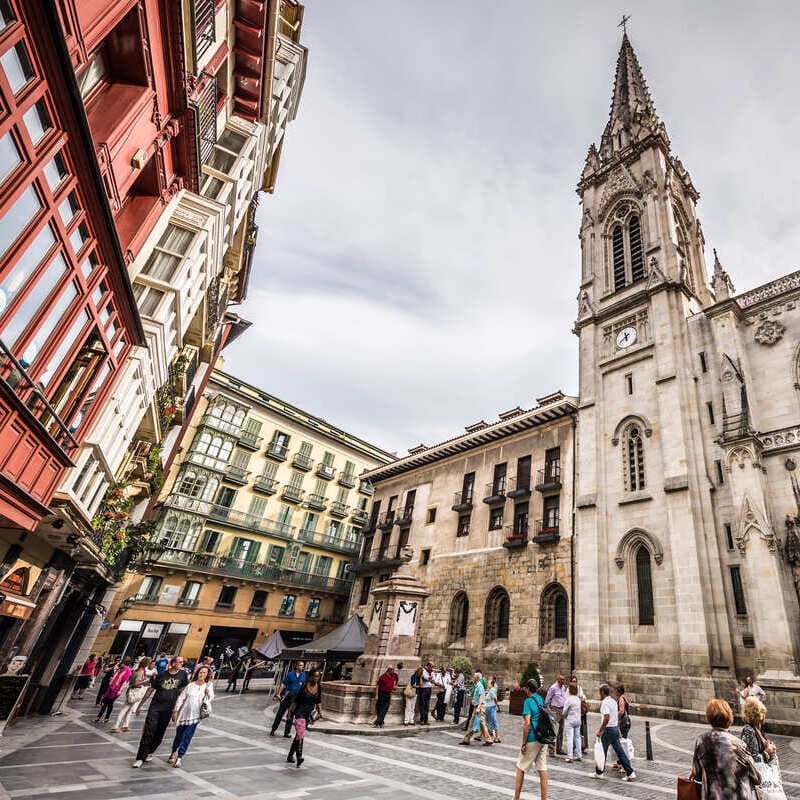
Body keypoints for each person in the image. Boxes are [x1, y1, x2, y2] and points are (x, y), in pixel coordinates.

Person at [691, 698, 761, 799]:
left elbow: (697, 774)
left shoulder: (701, 741)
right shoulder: (738, 744)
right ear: (729, 716)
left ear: (709, 718)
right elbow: (757, 777)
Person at [132, 656, 189, 768]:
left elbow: (184, 692)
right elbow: (150, 690)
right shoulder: (161, 675)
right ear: (172, 663)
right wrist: (140, 705)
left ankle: (149, 752)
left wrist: (177, 710)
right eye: (179, 662)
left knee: (159, 734)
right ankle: (140, 758)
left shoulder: (183, 675)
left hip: (168, 709)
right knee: (149, 731)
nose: (181, 664)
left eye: (182, 662)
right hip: (155, 707)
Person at [168, 664, 214, 768]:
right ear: (197, 673)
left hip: (195, 716)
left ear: (207, 675)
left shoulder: (208, 686)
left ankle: (179, 758)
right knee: (178, 736)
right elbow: (181, 698)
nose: (202, 674)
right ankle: (173, 752)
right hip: (184, 715)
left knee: (187, 736)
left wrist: (207, 694)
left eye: (204, 673)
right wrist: (175, 711)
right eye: (200, 672)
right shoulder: (190, 685)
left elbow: (209, 700)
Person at [513, 679, 548, 800]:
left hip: (533, 737)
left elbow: (527, 723)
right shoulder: (540, 699)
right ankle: (544, 798)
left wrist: (523, 743)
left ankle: (516, 798)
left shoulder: (528, 701)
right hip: (543, 738)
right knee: (542, 768)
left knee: (520, 767)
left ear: (528, 689)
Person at [593, 683, 635, 781]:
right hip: (614, 729)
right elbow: (615, 716)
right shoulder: (612, 701)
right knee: (620, 752)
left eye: (600, 692)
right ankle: (630, 772)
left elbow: (607, 717)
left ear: (602, 692)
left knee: (602, 751)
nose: (599, 694)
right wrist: (617, 729)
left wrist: (600, 730)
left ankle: (599, 772)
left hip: (608, 730)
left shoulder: (605, 703)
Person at [287, 667, 322, 768]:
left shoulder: (319, 687)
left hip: (309, 715)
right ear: (310, 676)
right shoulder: (304, 687)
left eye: (318, 676)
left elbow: (318, 701)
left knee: (299, 735)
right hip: (300, 712)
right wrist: (289, 712)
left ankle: (290, 756)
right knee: (301, 734)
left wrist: (320, 712)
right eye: (315, 676)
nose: (316, 678)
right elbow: (296, 701)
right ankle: (299, 757)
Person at [110, 657, 151, 732]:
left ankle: (125, 725)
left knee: (129, 709)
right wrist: (145, 681)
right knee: (125, 709)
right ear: (146, 664)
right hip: (134, 691)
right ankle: (115, 726)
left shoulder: (136, 670)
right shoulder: (140, 672)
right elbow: (136, 683)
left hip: (132, 690)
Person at [270, 660, 306, 737]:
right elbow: (283, 684)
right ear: (296, 666)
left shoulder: (303, 675)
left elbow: (304, 687)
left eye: (302, 666)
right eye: (300, 665)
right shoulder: (290, 674)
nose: (302, 667)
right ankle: (273, 729)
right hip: (287, 695)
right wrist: (279, 694)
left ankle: (287, 733)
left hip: (296, 698)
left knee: (290, 715)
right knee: (280, 713)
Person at [740, 697, 777, 764]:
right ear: (759, 715)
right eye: (763, 712)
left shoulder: (759, 728)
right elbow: (751, 759)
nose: (765, 715)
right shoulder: (748, 730)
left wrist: (770, 747)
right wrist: (767, 752)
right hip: (757, 773)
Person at [95, 658, 131, 723]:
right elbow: (114, 675)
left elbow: (125, 682)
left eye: (122, 663)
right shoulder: (120, 669)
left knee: (109, 703)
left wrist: (120, 691)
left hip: (116, 689)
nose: (120, 663)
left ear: (126, 663)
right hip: (110, 687)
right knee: (105, 702)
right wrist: (112, 678)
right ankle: (99, 717)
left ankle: (105, 717)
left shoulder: (128, 670)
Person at [460, 671, 491, 746]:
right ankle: (466, 740)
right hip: (477, 706)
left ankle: (488, 739)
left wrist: (478, 707)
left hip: (479, 707)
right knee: (472, 723)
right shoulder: (477, 685)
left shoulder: (479, 686)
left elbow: (481, 697)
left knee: (482, 723)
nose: (472, 678)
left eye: (474, 677)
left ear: (477, 678)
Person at [545, 674, 567, 755]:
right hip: (554, 710)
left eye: (563, 679)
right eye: (561, 679)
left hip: (562, 710)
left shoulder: (563, 688)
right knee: (553, 730)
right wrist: (549, 712)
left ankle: (559, 748)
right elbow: (547, 700)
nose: (563, 681)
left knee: (561, 730)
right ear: (557, 679)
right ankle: (551, 749)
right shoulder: (553, 688)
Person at [612, 684, 632, 772]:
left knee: (622, 744)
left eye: (615, 690)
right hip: (626, 722)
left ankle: (624, 765)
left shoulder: (621, 699)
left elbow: (621, 711)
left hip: (623, 723)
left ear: (618, 691)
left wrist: (614, 716)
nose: (614, 692)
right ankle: (620, 762)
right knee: (620, 742)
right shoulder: (624, 697)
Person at [562, 683, 582, 763]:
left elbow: (564, 711)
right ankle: (579, 755)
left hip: (570, 720)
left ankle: (570, 756)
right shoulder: (578, 699)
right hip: (578, 720)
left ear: (570, 690)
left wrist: (564, 716)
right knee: (577, 738)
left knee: (570, 738)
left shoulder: (569, 699)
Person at [570, 673, 589, 753]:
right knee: (574, 731)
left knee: (583, 730)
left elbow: (583, 697)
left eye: (575, 681)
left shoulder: (579, 688)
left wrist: (580, 699)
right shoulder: (569, 690)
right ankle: (574, 746)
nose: (574, 683)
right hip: (573, 713)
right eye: (573, 681)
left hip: (581, 713)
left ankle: (584, 746)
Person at [485, 675, 501, 743]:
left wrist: (496, 706)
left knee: (493, 721)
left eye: (488, 683)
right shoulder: (490, 690)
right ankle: (488, 735)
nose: (487, 684)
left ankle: (497, 737)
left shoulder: (491, 690)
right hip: (489, 708)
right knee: (488, 722)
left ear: (490, 684)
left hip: (491, 708)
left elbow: (495, 698)